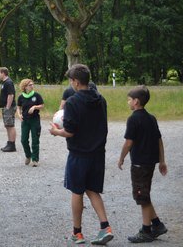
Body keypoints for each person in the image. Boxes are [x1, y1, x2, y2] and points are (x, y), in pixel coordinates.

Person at [49, 64, 114, 245]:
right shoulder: (101, 99)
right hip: (98, 153)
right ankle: (105, 227)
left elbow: (69, 132)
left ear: (76, 82)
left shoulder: (73, 102)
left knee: (77, 191)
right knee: (92, 189)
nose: (71, 84)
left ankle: (77, 233)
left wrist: (55, 132)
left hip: (79, 154)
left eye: (71, 81)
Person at [117, 86, 168, 243]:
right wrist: (162, 160)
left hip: (139, 164)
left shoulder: (133, 119)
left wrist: (121, 158)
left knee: (141, 197)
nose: (128, 102)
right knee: (144, 194)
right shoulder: (151, 118)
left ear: (136, 101)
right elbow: (159, 140)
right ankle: (157, 225)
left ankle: (146, 231)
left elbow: (128, 143)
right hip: (150, 163)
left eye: (129, 100)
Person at [16, 79, 44, 166]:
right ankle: (28, 155)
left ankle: (35, 159)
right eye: (30, 85)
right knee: (23, 140)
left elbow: (42, 106)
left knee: (35, 140)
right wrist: (19, 115)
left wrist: (35, 107)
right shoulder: (21, 97)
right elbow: (18, 107)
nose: (32, 86)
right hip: (25, 121)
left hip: (34, 120)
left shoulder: (36, 95)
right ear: (25, 87)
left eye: (32, 84)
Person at [0, 67, 17, 152]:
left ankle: (12, 145)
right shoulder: (4, 82)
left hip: (9, 107)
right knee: (7, 126)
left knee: (10, 125)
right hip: (5, 107)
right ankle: (9, 143)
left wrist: (8, 107)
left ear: (3, 73)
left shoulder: (8, 82)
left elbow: (11, 95)